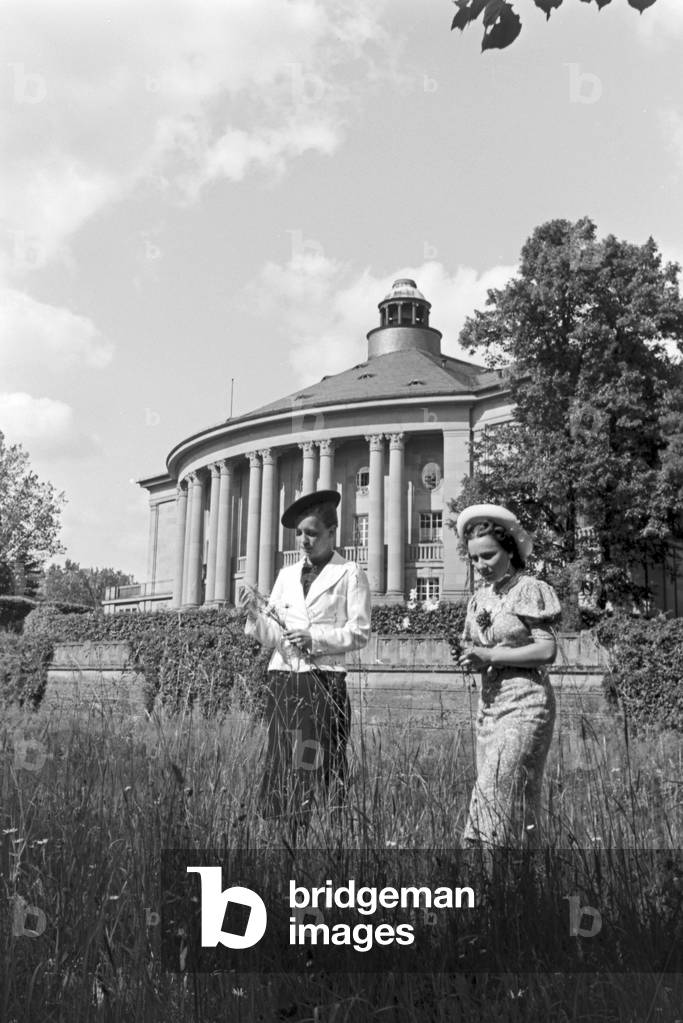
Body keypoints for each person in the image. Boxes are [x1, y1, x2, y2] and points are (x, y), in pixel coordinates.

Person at [239, 489, 371, 822]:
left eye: (311, 533)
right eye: (299, 533)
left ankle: (324, 828)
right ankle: (283, 833)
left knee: (316, 761)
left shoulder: (350, 573)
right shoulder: (285, 575)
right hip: (283, 679)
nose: (303, 540)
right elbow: (273, 635)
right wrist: (254, 615)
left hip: (323, 681)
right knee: (282, 758)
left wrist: (315, 639)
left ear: (331, 532)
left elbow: (359, 632)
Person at [455, 504, 561, 847]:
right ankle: (519, 885)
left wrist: (491, 655)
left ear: (509, 551)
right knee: (512, 801)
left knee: (493, 789)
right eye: (474, 559)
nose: (480, 566)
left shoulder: (529, 588)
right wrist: (470, 657)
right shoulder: (478, 599)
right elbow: (476, 646)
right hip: (489, 708)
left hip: (527, 704)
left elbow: (547, 650)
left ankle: (489, 878)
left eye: (488, 555)